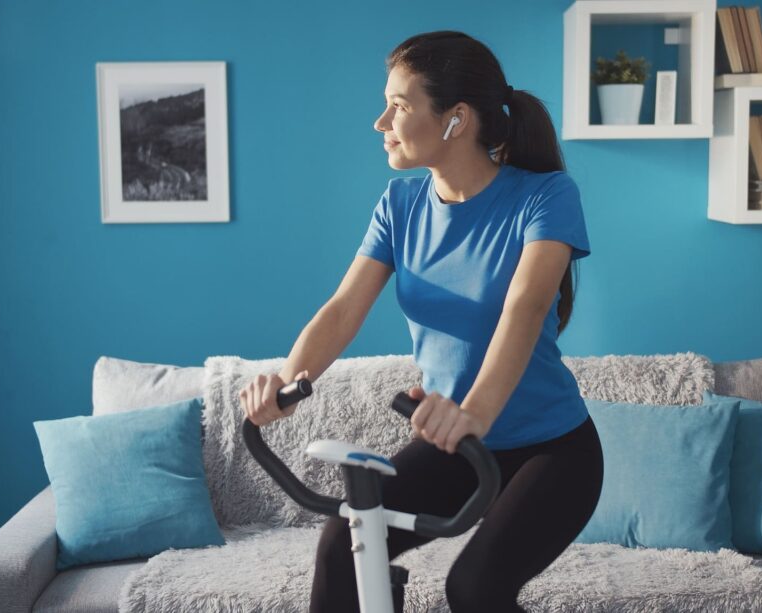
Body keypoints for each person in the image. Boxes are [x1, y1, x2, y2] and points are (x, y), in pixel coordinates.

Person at [238, 30, 604, 613]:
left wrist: (473, 413)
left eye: (400, 106)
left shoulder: (546, 197)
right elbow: (342, 309)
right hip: (456, 446)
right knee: (343, 545)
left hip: (551, 452)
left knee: (476, 587)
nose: (381, 121)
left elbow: (526, 308)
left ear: (456, 119)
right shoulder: (400, 205)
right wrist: (287, 386)